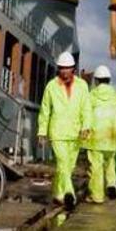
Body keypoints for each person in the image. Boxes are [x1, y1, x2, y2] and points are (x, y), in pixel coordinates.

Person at [36, 51, 91, 210]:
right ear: (58, 69)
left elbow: (86, 108)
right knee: (62, 162)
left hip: (75, 133)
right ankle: (68, 194)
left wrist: (86, 126)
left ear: (73, 68)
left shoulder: (82, 86)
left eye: (68, 68)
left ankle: (57, 194)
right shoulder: (51, 86)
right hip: (58, 132)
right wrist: (42, 132)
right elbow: (45, 110)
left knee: (67, 167)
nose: (65, 71)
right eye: (62, 68)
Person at [83, 65, 116, 203]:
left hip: (95, 138)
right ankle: (111, 184)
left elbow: (86, 115)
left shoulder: (91, 96)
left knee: (96, 167)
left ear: (96, 80)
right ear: (109, 80)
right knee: (110, 162)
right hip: (111, 136)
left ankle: (97, 196)